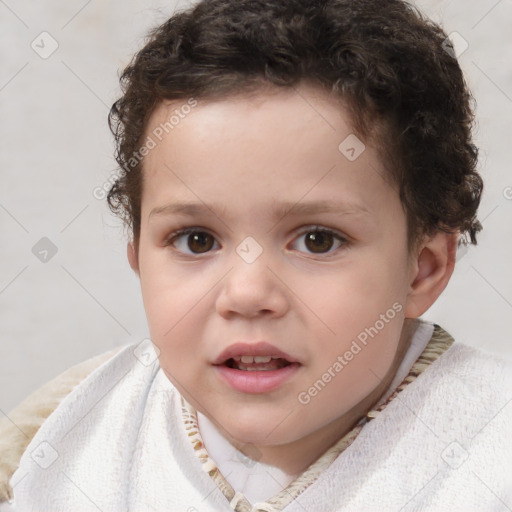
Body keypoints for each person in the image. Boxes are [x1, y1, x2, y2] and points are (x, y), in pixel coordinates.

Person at [1, 0, 511, 510]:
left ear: (422, 268)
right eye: (196, 240)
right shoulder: (59, 436)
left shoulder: (490, 454)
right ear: (137, 259)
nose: (247, 295)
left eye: (317, 240)